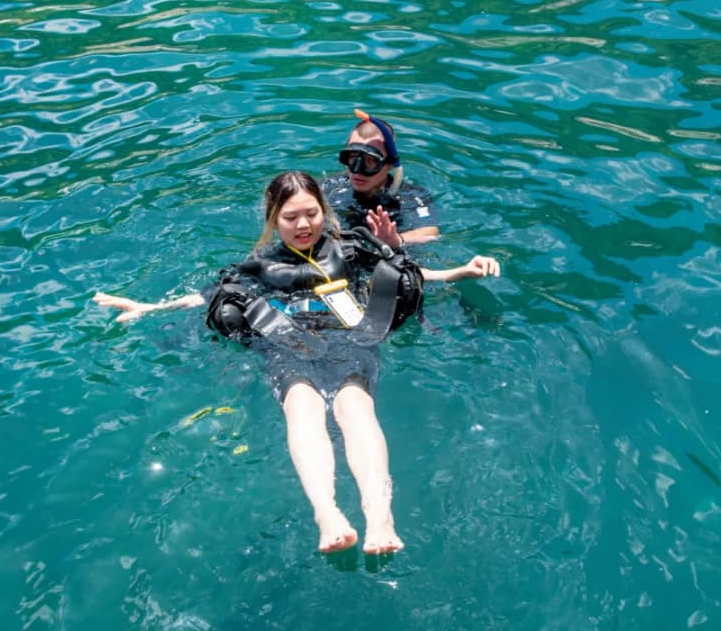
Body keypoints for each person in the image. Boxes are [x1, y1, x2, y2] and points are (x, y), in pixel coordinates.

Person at [93, 172, 500, 555]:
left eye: (312, 213)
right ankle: (327, 513)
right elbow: (204, 297)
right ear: (273, 219)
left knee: (355, 409)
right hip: (286, 342)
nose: (303, 224)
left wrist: (464, 270)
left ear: (325, 210)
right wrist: (146, 307)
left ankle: (380, 517)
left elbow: (413, 273)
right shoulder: (257, 267)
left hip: (350, 336)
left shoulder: (352, 249)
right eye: (291, 217)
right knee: (301, 410)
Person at [321, 110, 439, 249]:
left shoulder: (410, 196)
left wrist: (396, 240)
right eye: (352, 157)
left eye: (370, 161)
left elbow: (431, 232)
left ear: (390, 164)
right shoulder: (331, 187)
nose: (358, 170)